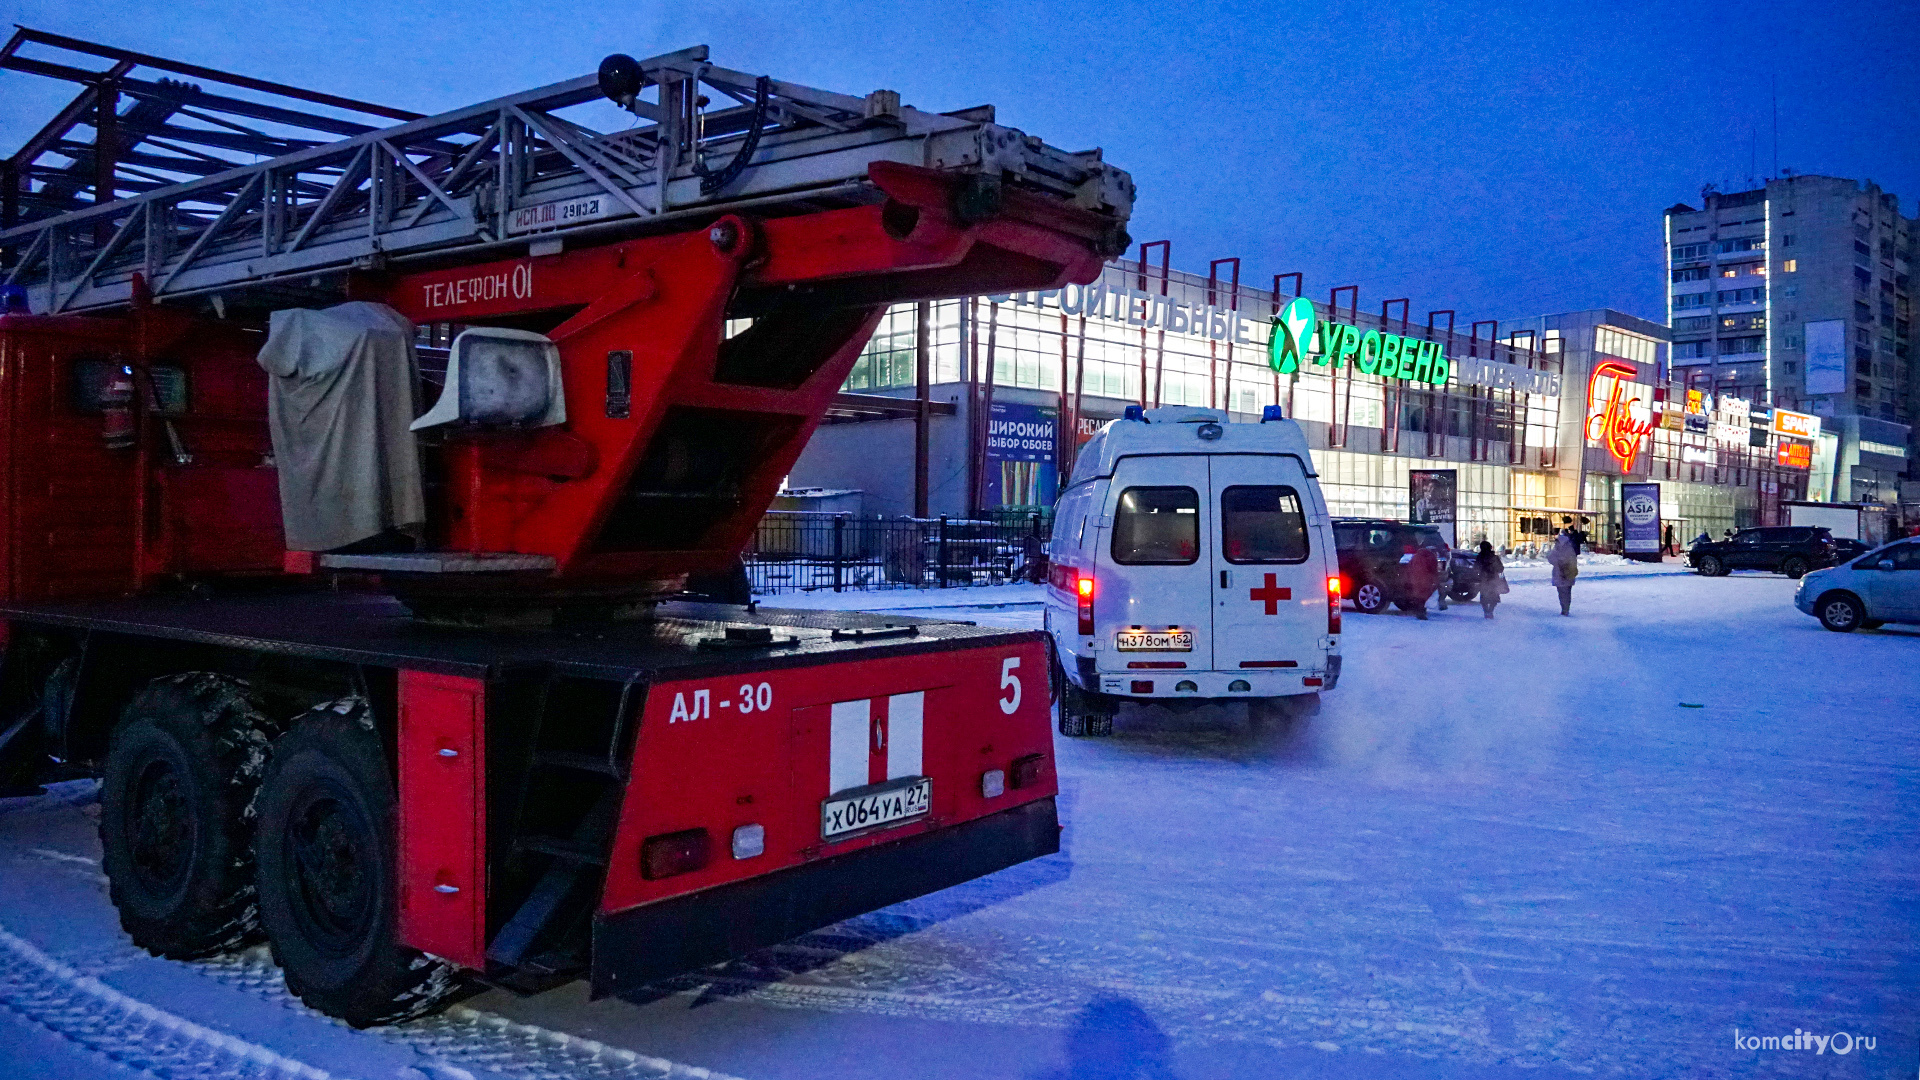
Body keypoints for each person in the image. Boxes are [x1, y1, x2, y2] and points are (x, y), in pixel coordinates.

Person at [1547, 529, 1579, 615]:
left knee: (1562, 593)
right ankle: (1566, 609)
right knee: (1567, 593)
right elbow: (1573, 559)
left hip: (1560, 574)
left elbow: (1551, 559)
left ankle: (1564, 609)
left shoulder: (1558, 548)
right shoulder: (1570, 547)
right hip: (1569, 573)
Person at [1476, 540, 1505, 619]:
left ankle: (1486, 611)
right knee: (1494, 597)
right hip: (1494, 579)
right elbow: (1501, 568)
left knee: (1484, 597)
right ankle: (1490, 611)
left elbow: (1476, 568)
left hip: (1483, 580)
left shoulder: (1479, 557)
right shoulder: (1494, 557)